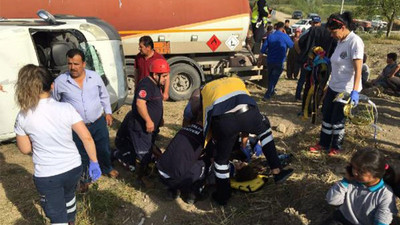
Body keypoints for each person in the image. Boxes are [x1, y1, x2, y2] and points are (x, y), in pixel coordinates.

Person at [14, 64, 101, 225]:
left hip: (48, 174)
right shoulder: (66, 107)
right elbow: (87, 138)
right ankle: (71, 221)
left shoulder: (23, 115)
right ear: (52, 86)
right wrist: (94, 162)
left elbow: (25, 149)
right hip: (73, 168)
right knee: (69, 197)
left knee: (56, 214)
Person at [201, 76, 294, 206]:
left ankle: (223, 196)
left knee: (221, 161)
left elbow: (207, 118)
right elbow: (250, 103)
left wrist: (209, 144)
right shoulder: (236, 80)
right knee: (265, 133)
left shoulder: (205, 90)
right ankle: (277, 171)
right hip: (248, 113)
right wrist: (246, 133)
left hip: (224, 122)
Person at [53, 48, 118, 191]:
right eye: (70, 64)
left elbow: (104, 95)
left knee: (103, 147)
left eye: (76, 64)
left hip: (97, 121)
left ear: (83, 63)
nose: (73, 67)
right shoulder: (60, 81)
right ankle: (85, 178)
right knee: (81, 152)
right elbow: (55, 102)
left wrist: (108, 112)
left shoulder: (94, 77)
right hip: (77, 126)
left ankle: (107, 168)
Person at [309, 12, 364, 156]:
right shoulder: (339, 42)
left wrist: (355, 91)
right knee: (326, 116)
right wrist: (328, 82)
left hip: (346, 89)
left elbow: (358, 69)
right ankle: (323, 143)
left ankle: (336, 146)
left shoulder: (355, 42)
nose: (332, 35)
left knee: (337, 119)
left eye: (333, 32)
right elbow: (336, 65)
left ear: (343, 27)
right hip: (334, 86)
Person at [323, 148, 398, 225]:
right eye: (353, 168)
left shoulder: (385, 194)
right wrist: (345, 181)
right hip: (342, 218)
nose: (355, 173)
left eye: (361, 171)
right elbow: (332, 200)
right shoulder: (350, 181)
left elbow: (382, 220)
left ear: (376, 173)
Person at [157, 109, 210, 204]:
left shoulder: (184, 129)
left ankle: (172, 191)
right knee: (206, 162)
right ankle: (193, 194)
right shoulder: (205, 136)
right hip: (176, 178)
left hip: (161, 171)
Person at [131, 58, 170, 185]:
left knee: (150, 148)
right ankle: (140, 178)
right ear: (155, 75)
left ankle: (148, 169)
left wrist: (160, 118)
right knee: (144, 153)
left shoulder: (156, 84)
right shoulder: (146, 84)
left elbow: (155, 103)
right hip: (141, 127)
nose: (165, 79)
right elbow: (140, 103)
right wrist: (148, 120)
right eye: (164, 76)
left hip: (151, 127)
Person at [294, 18, 337, 103]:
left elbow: (299, 42)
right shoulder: (333, 35)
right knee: (319, 85)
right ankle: (314, 105)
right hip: (323, 63)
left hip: (309, 61)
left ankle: (302, 101)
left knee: (305, 82)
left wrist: (302, 54)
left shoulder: (312, 30)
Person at [257, 21, 294, 100]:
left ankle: (271, 91)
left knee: (270, 77)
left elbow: (263, 49)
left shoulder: (270, 36)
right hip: (279, 61)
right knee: (274, 78)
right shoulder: (284, 36)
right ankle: (267, 95)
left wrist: (259, 60)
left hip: (270, 60)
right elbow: (291, 45)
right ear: (283, 28)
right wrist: (286, 35)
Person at [135, 36, 170, 100]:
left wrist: (166, 92)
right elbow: (136, 73)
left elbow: (166, 76)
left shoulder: (159, 58)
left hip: (154, 91)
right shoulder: (138, 57)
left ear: (148, 47)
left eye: (141, 47)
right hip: (142, 91)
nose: (139, 48)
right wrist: (136, 88)